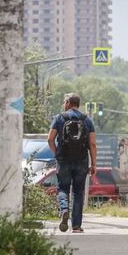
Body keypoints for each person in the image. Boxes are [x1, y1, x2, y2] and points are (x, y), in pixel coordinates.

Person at [47, 93, 97, 234]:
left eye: (65, 102)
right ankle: (76, 226)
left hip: (63, 160)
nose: (64, 104)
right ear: (78, 104)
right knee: (78, 192)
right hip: (81, 161)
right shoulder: (86, 120)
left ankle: (64, 210)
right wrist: (94, 164)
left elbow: (50, 139)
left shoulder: (59, 118)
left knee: (62, 188)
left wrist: (57, 154)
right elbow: (92, 143)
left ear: (68, 102)